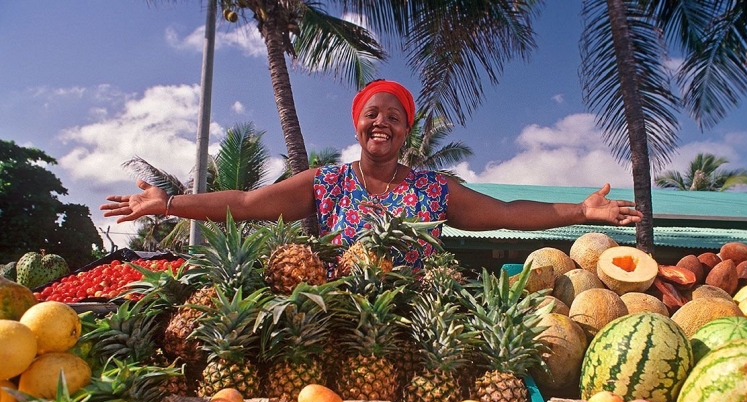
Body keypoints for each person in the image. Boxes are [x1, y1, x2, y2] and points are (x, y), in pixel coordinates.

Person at [101, 79, 642, 269]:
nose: (381, 122)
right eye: (372, 114)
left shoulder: (434, 188)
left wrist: (581, 210)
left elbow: (505, 215)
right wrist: (168, 203)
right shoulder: (325, 183)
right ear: (358, 125)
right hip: (340, 319)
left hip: (420, 323)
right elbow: (244, 204)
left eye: (394, 116)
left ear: (406, 130)